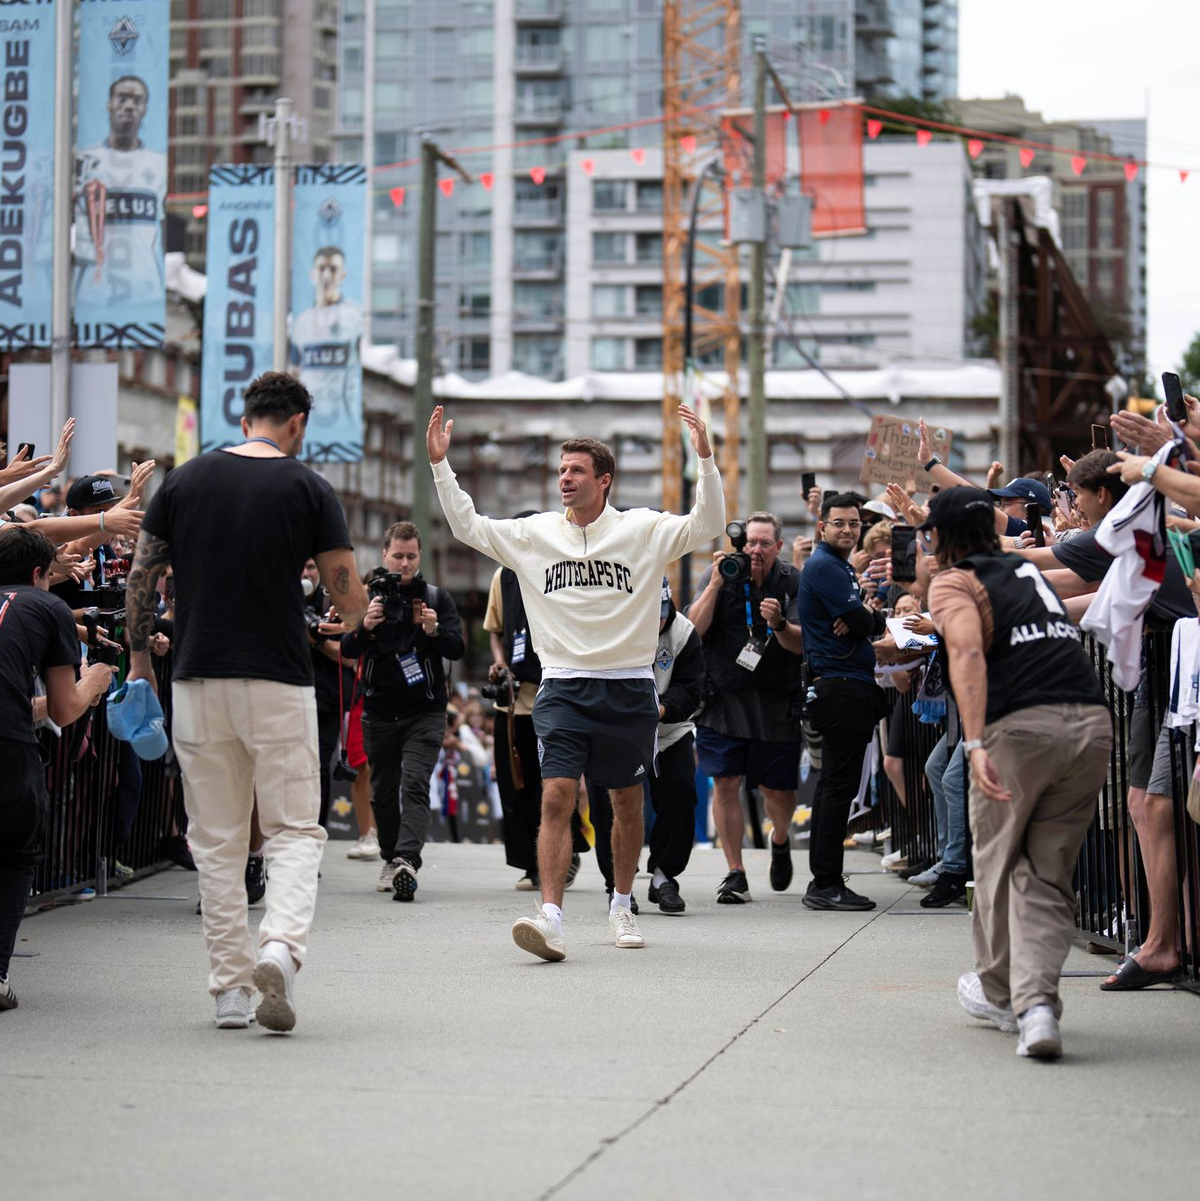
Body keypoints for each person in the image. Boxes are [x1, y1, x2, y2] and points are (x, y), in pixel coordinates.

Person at [427, 403, 724, 961]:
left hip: (629, 685)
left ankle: (621, 904)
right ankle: (552, 917)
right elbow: (468, 527)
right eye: (561, 471)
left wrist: (704, 458)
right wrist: (443, 469)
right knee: (557, 796)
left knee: (626, 802)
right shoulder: (535, 534)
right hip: (561, 686)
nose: (565, 479)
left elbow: (706, 526)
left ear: (603, 479)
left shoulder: (643, 529)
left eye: (576, 471)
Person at [124, 371, 367, 1033]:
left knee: (217, 841)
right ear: (297, 424)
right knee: (292, 830)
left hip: (197, 676)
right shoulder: (307, 486)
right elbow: (347, 596)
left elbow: (142, 577)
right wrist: (350, 619)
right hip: (280, 678)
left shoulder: (183, 482)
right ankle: (281, 949)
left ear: (244, 418)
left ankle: (229, 990)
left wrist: (142, 660)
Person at [924, 486, 1110, 1060]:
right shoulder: (1026, 572)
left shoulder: (954, 581)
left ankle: (1007, 999)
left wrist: (974, 741)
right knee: (1047, 874)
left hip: (1021, 728)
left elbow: (967, 653)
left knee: (999, 864)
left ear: (940, 540)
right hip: (1090, 721)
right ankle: (1038, 1005)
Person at [0, 526, 115, 1011]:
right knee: (15, 854)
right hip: (8, 750)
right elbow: (67, 710)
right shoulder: (45, 607)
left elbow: (22, 704)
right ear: (37, 574)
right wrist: (95, 679)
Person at [338, 522, 464, 902]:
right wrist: (366, 626)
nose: (405, 563)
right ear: (385, 555)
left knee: (415, 783)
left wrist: (435, 629)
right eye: (398, 555)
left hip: (423, 710)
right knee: (382, 791)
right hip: (378, 710)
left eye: (411, 556)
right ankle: (391, 856)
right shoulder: (367, 596)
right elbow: (346, 647)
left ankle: (407, 859)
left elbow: (456, 648)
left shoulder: (435, 598)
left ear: (419, 556)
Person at [687, 512, 804, 903]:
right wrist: (716, 584)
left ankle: (780, 836)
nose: (754, 550)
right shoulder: (720, 572)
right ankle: (735, 871)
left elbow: (801, 644)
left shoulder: (791, 581)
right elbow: (694, 629)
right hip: (723, 696)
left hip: (775, 698)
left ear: (778, 547)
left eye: (764, 544)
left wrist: (780, 625)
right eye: (750, 542)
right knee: (725, 782)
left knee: (778, 790)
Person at [590, 578, 706, 913]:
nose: (654, 622)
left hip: (667, 729)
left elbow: (690, 688)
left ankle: (664, 876)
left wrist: (662, 708)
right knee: (608, 808)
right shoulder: (609, 627)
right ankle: (617, 884)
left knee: (681, 793)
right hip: (615, 730)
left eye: (661, 613)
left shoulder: (683, 633)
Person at [796, 492, 888, 911]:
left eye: (854, 523)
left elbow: (863, 621)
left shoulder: (836, 567)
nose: (849, 529)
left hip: (845, 687)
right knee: (837, 787)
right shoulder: (826, 567)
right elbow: (864, 622)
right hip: (840, 688)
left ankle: (826, 880)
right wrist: (865, 618)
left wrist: (865, 618)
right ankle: (826, 883)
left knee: (836, 786)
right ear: (822, 527)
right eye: (840, 523)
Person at [483, 551, 588, 891]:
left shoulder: (559, 569)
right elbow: (495, 630)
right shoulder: (504, 576)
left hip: (554, 697)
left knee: (556, 787)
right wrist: (500, 663)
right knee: (516, 787)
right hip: (513, 704)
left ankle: (565, 855)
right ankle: (531, 865)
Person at [73, 76, 167, 311]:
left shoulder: (159, 164)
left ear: (145, 108)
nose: (129, 106)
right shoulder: (85, 160)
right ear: (109, 104)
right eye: (122, 98)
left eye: (137, 100)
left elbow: (161, 229)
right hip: (92, 294)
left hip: (146, 293)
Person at [290, 246, 363, 431]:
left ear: (342, 275)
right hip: (308, 420)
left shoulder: (354, 317)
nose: (327, 275)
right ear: (312, 274)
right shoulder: (301, 322)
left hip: (342, 419)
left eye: (333, 269)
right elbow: (294, 370)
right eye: (322, 268)